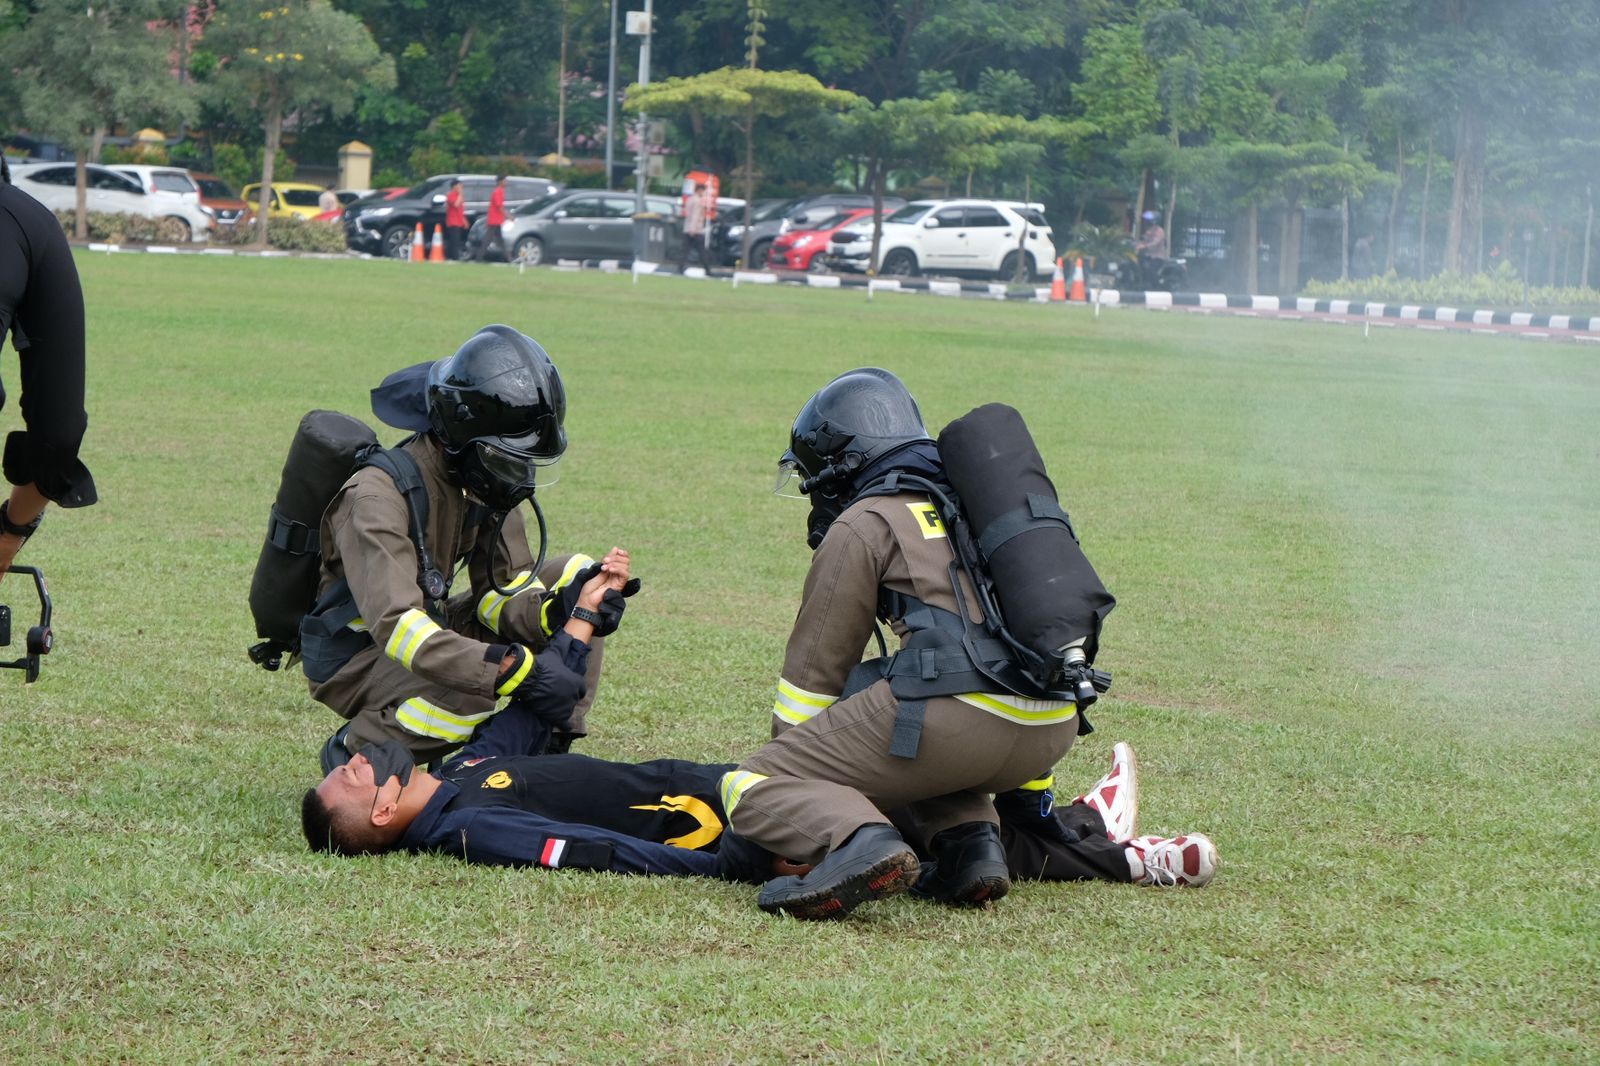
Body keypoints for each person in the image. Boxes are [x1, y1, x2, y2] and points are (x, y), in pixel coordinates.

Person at [718, 368, 1125, 920]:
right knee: (912, 752)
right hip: (1051, 731)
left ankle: (862, 844)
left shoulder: (866, 520)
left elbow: (816, 671)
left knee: (749, 783)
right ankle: (971, 848)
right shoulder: (978, 504)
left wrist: (798, 776)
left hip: (955, 721)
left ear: (841, 464)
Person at [303, 671, 1217, 891]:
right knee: (895, 776)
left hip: (732, 792)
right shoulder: (465, 830)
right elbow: (593, 852)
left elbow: (528, 718)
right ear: (382, 814)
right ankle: (1106, 846)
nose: (352, 761)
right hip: (735, 826)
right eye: (349, 782)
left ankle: (1113, 850)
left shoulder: (463, 773)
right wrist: (740, 865)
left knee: (913, 796)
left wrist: (582, 620)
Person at [306, 324, 637, 773]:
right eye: (507, 457)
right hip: (360, 656)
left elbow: (500, 593)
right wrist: (511, 669)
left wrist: (560, 610)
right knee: (468, 691)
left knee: (576, 581)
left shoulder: (478, 479)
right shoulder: (375, 498)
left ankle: (541, 750)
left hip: (429, 626)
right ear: (459, 438)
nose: (518, 474)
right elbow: (399, 628)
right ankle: (361, 748)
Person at [0, 155, 97, 583]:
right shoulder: (27, 220)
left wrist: (9, 530)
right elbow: (59, 428)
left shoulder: (24, 222)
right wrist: (10, 529)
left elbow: (61, 428)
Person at [678, 181, 713, 272]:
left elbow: (688, 214)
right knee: (702, 251)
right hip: (696, 230)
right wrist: (693, 229)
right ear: (699, 190)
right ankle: (707, 269)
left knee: (685, 251)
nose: (704, 194)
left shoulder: (690, 199)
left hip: (687, 228)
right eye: (703, 191)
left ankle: (680, 268)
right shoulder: (698, 202)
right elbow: (695, 216)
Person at [476, 175, 508, 262]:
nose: (506, 182)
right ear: (500, 182)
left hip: (496, 220)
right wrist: (508, 216)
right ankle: (479, 258)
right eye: (505, 181)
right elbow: (499, 206)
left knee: (499, 240)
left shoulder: (500, 191)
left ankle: (507, 257)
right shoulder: (497, 192)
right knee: (488, 240)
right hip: (494, 220)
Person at [1134, 211, 1168, 289]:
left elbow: (1155, 242)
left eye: (1148, 220)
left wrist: (1144, 246)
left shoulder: (1159, 231)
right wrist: (1136, 244)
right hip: (1147, 256)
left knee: (1150, 271)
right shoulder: (1148, 230)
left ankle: (1155, 287)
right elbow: (1143, 240)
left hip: (1157, 257)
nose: (1146, 222)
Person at [443, 179, 467, 261]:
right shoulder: (451, 195)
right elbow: (456, 205)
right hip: (452, 221)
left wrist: (464, 220)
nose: (461, 187)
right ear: (454, 186)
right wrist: (460, 194)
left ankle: (450, 256)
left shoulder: (458, 195)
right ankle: (454, 257)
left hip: (458, 221)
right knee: (454, 240)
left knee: (456, 240)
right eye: (459, 185)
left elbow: (460, 209)